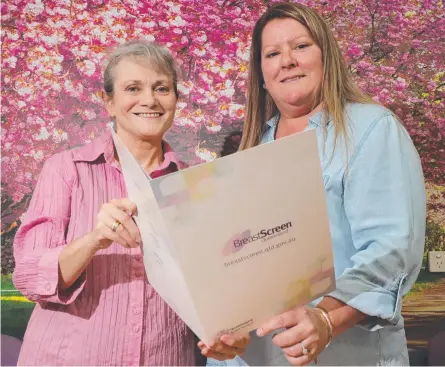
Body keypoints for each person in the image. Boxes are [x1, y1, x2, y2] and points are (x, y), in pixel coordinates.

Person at [208, 2, 426, 366]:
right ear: (261, 73)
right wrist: (228, 326)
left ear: (327, 57)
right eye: (273, 53)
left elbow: (392, 250)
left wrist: (326, 318)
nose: (287, 60)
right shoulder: (247, 154)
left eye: (301, 46)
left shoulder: (371, 129)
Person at [13, 40, 249, 366]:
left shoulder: (194, 187)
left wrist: (227, 331)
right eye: (133, 88)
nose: (149, 100)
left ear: (176, 100)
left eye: (162, 88)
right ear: (109, 102)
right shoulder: (65, 170)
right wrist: (94, 240)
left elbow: (210, 291)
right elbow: (29, 277)